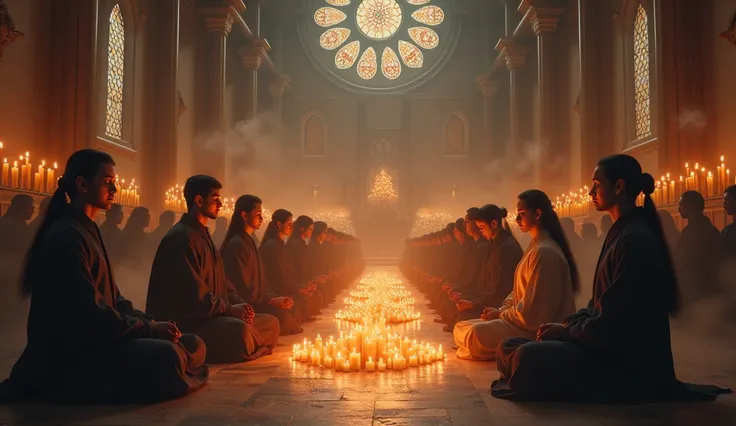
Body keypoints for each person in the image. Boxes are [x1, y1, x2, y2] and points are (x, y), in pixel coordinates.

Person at [491, 154, 731, 403]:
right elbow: (598, 303)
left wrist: (567, 332)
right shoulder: (621, 233)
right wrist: (570, 322)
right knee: (508, 346)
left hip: (622, 364)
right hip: (598, 344)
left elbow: (615, 324)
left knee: (527, 356)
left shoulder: (635, 240)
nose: (590, 192)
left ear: (618, 187)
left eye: (597, 183)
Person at [0, 149, 208, 404]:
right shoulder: (66, 236)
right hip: (76, 355)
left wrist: (148, 321)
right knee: (169, 357)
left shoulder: (87, 229)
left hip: (104, 338)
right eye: (108, 182)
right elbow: (88, 314)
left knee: (191, 342)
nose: (115, 189)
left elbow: (113, 297)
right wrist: (148, 330)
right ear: (82, 184)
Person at [146, 175, 279, 364]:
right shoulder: (181, 238)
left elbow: (223, 281)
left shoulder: (203, 236)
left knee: (270, 323)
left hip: (216, 315)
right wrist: (230, 309)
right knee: (239, 331)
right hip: (194, 322)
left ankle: (249, 342)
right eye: (215, 198)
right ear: (199, 200)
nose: (221, 203)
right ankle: (246, 344)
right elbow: (193, 295)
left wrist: (240, 305)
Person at [453, 190, 578, 360]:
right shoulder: (536, 247)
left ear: (538, 214)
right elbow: (518, 292)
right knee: (461, 327)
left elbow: (534, 314)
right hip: (518, 320)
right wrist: (501, 309)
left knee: (475, 334)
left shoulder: (544, 252)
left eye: (521, 214)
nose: (517, 220)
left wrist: (501, 314)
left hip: (532, 329)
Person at [221, 195, 302, 335]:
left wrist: (273, 297)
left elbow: (262, 280)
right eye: (258, 214)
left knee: (291, 308)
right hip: (247, 304)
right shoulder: (237, 244)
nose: (262, 218)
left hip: (260, 298)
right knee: (278, 319)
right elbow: (244, 287)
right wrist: (270, 300)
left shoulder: (249, 241)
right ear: (244, 215)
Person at [454, 204, 523, 322]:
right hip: (485, 302)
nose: (481, 232)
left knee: (462, 320)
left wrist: (473, 304)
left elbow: (501, 289)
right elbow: (483, 283)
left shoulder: (506, 248)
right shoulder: (493, 244)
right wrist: (471, 300)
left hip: (498, 306)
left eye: (482, 228)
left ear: (494, 224)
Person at [261, 209, 319, 319]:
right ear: (279, 224)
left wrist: (303, 286)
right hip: (277, 291)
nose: (291, 227)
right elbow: (279, 276)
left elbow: (289, 272)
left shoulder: (280, 244)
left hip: (288, 286)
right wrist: (298, 289)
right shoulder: (273, 246)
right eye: (289, 224)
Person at [674, 191, 721, 301]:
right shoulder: (706, 228)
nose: (678, 208)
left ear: (691, 206)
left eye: (681, 204)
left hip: (699, 291)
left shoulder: (695, 231)